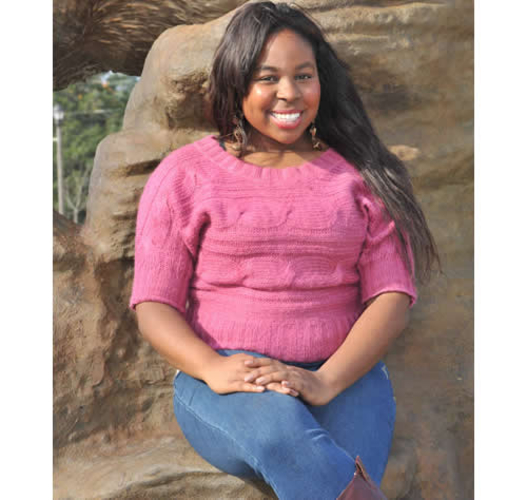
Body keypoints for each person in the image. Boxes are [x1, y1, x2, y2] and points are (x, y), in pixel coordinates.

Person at [129, 2, 439, 499]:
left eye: (304, 76)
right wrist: (213, 368)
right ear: (236, 82)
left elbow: (392, 297)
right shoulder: (184, 175)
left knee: (346, 470)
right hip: (228, 382)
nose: (289, 93)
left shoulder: (364, 174)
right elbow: (153, 306)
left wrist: (325, 381)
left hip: (345, 375)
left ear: (322, 82)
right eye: (267, 77)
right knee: (283, 434)